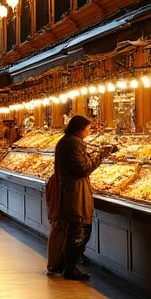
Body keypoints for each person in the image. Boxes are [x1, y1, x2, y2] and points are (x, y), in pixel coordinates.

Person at [53, 115, 117, 281]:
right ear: (80, 129)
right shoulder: (74, 143)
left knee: (75, 230)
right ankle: (71, 268)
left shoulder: (66, 141)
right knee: (80, 230)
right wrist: (101, 156)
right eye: (88, 128)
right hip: (75, 192)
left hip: (71, 189)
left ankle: (69, 265)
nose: (89, 131)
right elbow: (83, 169)